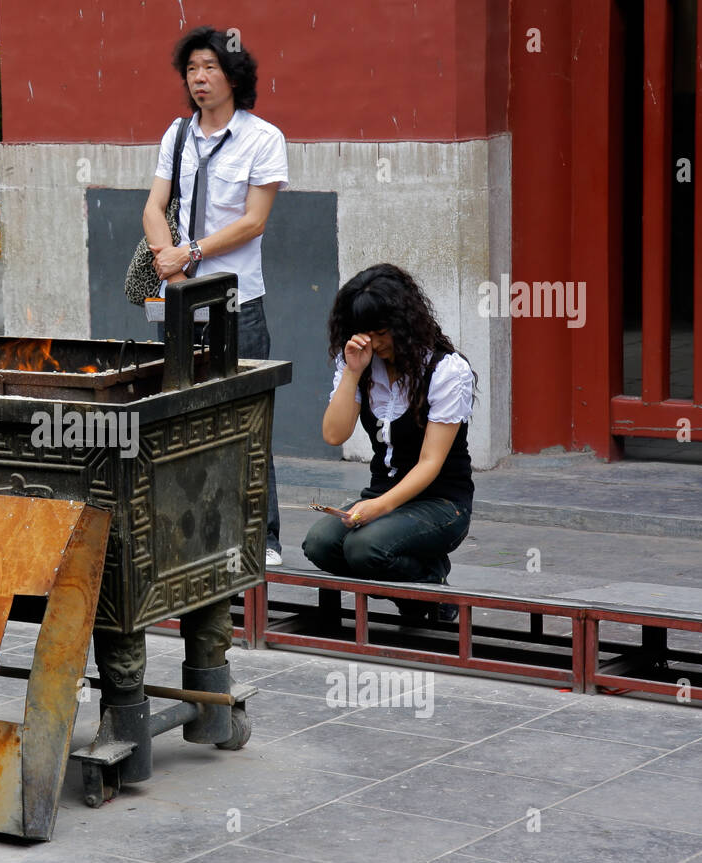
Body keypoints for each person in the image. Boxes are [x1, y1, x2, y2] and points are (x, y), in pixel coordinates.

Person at [141, 24, 288, 566]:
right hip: (180, 299)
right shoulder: (176, 135)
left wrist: (191, 253)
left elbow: (253, 222)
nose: (199, 79)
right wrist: (171, 267)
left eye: (210, 68)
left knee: (246, 415)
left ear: (234, 75)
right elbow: (155, 208)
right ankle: (190, 532)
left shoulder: (262, 138)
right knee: (179, 416)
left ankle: (263, 536)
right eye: (192, 70)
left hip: (236, 303)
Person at [302, 264, 476, 623]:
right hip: (382, 495)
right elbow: (334, 435)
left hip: (441, 503)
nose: (375, 343)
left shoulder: (446, 371)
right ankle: (418, 596)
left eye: (381, 333)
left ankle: (431, 579)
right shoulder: (362, 365)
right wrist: (352, 371)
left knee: (366, 548)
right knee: (319, 543)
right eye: (365, 333)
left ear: (404, 325)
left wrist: (379, 508)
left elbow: (430, 463)